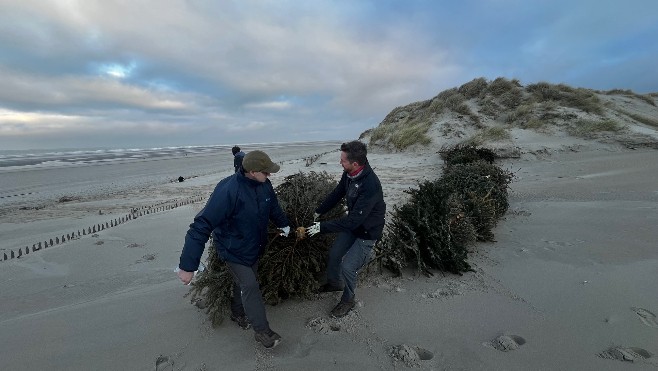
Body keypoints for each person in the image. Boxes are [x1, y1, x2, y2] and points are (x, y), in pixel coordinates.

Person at [177, 150, 291, 349]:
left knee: (244, 284)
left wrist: (284, 224)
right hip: (233, 249)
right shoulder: (228, 190)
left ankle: (237, 313)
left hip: (255, 246)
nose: (270, 175)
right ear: (253, 171)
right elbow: (201, 225)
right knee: (250, 285)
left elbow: (272, 206)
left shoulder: (265, 185)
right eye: (266, 172)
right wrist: (188, 266)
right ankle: (263, 332)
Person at [306, 140, 386, 318]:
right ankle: (334, 283)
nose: (340, 163)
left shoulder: (370, 185)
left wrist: (321, 227)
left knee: (348, 267)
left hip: (367, 231)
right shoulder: (349, 174)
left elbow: (352, 222)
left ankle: (348, 299)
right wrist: (319, 211)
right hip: (353, 225)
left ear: (355, 163)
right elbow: (337, 193)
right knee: (334, 254)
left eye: (343, 160)